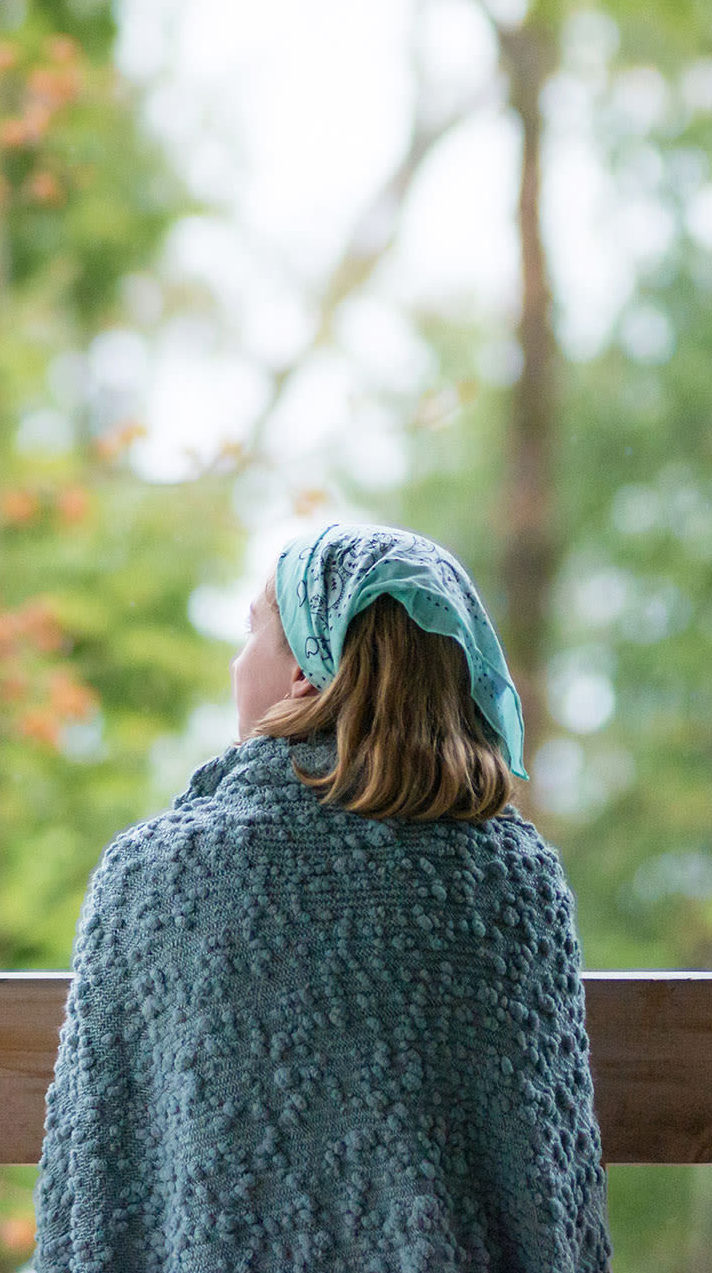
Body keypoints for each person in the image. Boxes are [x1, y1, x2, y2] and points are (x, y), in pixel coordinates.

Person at [33, 521, 610, 1273]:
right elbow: (553, 1191)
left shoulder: (156, 877)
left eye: (252, 635)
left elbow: (90, 1183)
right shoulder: (518, 882)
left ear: (307, 672)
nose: (237, 665)